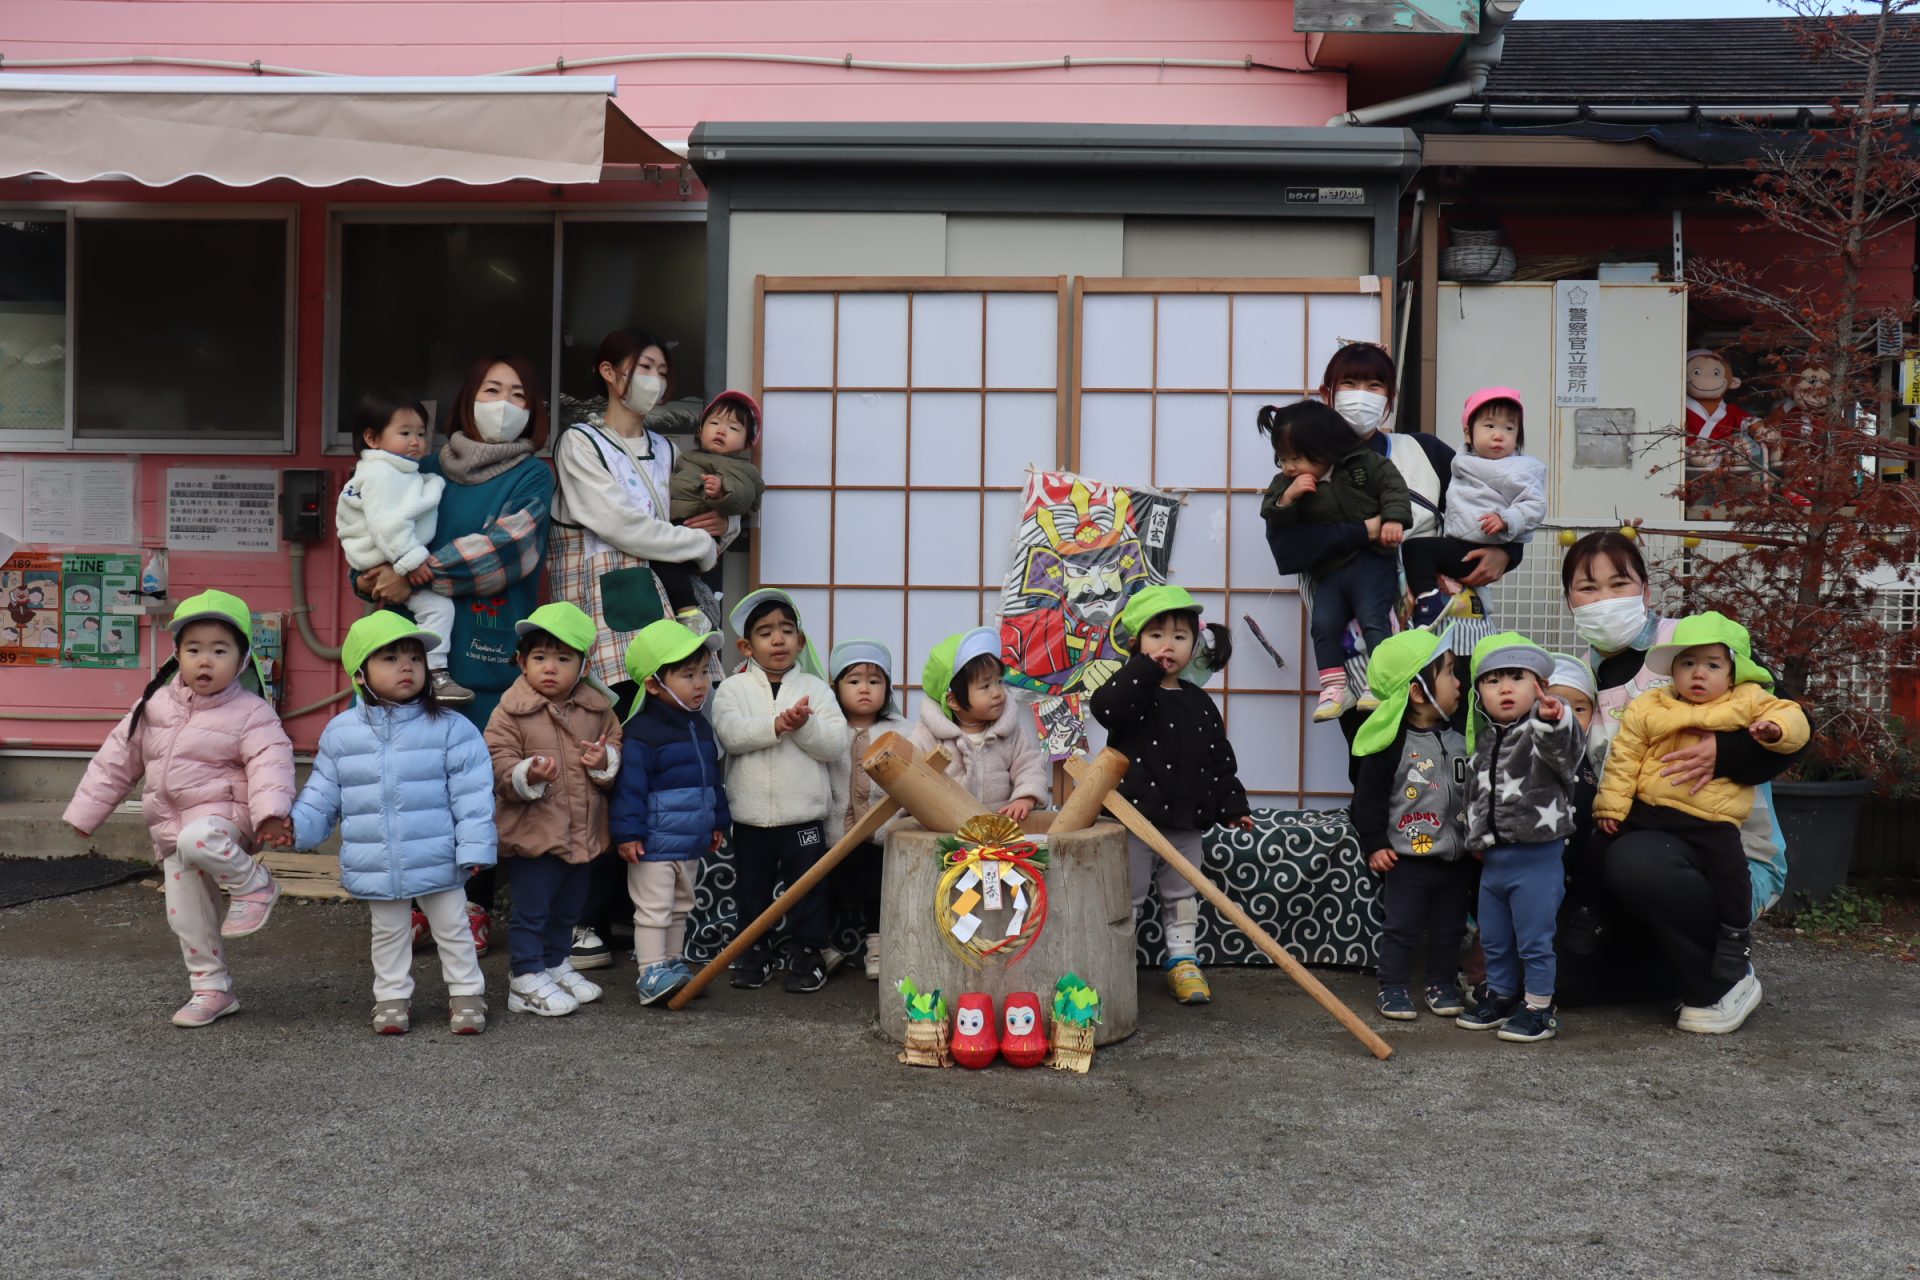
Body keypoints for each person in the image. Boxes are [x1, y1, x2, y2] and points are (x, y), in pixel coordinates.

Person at [1557, 530, 1803, 1033]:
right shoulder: (1577, 680)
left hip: (1722, 845)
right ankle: (1669, 967)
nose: (1604, 599)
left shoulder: (1696, 644)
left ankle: (1722, 982)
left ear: (1646, 591)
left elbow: (1792, 725)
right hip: (1627, 841)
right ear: (1569, 601)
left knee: (1635, 858)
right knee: (1559, 983)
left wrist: (1727, 751)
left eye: (1619, 584)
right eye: (1588, 588)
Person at [355, 354, 554, 960]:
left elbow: (509, 549)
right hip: (408, 650)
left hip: (487, 652)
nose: (504, 404)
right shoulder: (423, 463)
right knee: (415, 785)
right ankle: (419, 905)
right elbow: (372, 523)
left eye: (518, 394)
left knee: (478, 789)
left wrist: (413, 572)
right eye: (492, 389)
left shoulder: (533, 475)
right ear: (468, 399)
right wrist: (369, 576)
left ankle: (473, 907)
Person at [64, 590, 293, 1028]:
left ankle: (254, 884)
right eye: (194, 650)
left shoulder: (251, 712)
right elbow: (116, 760)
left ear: (242, 660)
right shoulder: (152, 706)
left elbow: (271, 763)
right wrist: (85, 813)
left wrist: (270, 814)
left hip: (224, 819)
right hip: (171, 827)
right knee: (187, 916)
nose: (205, 661)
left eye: (219, 651)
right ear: (177, 655)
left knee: (198, 837)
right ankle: (212, 989)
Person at [281, 613, 495, 1036]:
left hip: (439, 855)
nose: (407, 667)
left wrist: (474, 847)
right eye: (391, 658)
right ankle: (392, 997)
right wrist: (295, 828)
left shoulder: (452, 727)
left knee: (454, 928)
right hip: (376, 858)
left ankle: (468, 994)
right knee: (389, 933)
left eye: (415, 658)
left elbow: (473, 794)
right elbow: (323, 793)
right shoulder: (341, 733)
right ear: (360, 673)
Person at [1592, 612, 1809, 1001]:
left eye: (1712, 665)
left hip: (1712, 818)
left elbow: (1793, 716)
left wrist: (1774, 731)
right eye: (1688, 663)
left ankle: (1734, 938)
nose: (1698, 674)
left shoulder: (1748, 699)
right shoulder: (1650, 704)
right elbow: (1624, 758)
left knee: (1730, 872)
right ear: (1672, 670)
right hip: (1652, 811)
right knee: (1599, 848)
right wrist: (1611, 807)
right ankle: (1589, 914)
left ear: (1733, 673)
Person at [1090, 586, 1254, 1006]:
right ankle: (1116, 965)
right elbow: (1106, 708)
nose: (1168, 645)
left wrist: (1233, 805)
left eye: (1180, 637)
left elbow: (1219, 758)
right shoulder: (1131, 695)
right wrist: (1142, 669)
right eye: (1156, 636)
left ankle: (1183, 961)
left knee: (1182, 895)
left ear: (1193, 645)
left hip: (1185, 822)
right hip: (1134, 822)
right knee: (1127, 896)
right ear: (1136, 643)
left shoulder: (1200, 703)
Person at [549, 329, 726, 690]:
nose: (655, 380)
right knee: (618, 705)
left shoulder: (667, 449)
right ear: (608, 372)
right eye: (645, 367)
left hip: (667, 605)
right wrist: (700, 545)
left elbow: (696, 508)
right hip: (605, 607)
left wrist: (723, 522)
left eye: (662, 372)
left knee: (674, 701)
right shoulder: (580, 443)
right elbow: (621, 525)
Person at [485, 602, 624, 1018]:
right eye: (539, 657)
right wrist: (526, 772)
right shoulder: (509, 711)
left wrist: (604, 761)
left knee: (569, 907)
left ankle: (555, 962)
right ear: (522, 662)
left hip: (583, 830)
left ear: (583, 667)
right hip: (535, 832)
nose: (550, 667)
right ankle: (525, 976)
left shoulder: (597, 709)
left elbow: (615, 745)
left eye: (563, 659)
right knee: (533, 910)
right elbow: (496, 762)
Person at [711, 588, 851, 994]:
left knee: (808, 889)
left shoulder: (816, 689)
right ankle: (755, 953)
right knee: (751, 889)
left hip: (803, 816)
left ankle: (808, 953)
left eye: (787, 631)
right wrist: (776, 725)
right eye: (766, 632)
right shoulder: (733, 689)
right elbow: (730, 734)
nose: (778, 639)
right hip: (750, 815)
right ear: (746, 646)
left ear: (800, 641)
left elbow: (834, 744)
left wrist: (804, 725)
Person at [1457, 632, 1586, 1044]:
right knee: (1494, 938)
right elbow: (1473, 797)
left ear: (1540, 686)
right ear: (1479, 693)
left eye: (1517, 677)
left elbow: (1567, 751)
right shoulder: (1483, 743)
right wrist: (1474, 838)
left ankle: (1539, 1007)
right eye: (1492, 680)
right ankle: (1499, 996)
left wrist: (1555, 719)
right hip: (1493, 864)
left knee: (1534, 940)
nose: (1505, 688)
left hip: (1537, 859)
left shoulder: (1541, 733)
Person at [1258, 399, 1412, 721]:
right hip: (1328, 570)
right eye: (1282, 459)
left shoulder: (1362, 463)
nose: (1289, 467)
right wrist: (1288, 497)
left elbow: (1394, 487)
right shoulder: (1286, 484)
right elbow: (1274, 520)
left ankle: (1379, 681)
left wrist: (1394, 519)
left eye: (1296, 458)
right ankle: (1333, 688)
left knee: (1373, 617)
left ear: (1324, 447)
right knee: (1323, 624)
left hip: (1371, 561)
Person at [1350, 627, 1471, 1021]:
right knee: (1402, 926)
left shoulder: (1463, 737)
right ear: (1418, 692)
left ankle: (1441, 983)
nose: (1459, 681)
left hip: (1456, 857)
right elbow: (1367, 799)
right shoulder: (1392, 745)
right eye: (1448, 672)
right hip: (1406, 859)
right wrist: (1374, 843)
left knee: (1451, 928)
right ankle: (1392, 986)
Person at [611, 618, 730, 1006]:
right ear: (653, 684)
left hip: (690, 840)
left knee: (681, 905)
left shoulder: (700, 726)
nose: (700, 684)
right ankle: (650, 972)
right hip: (653, 843)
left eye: (704, 673)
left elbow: (712, 779)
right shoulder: (642, 731)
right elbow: (629, 788)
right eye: (688, 675)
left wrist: (717, 821)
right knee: (654, 909)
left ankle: (673, 965)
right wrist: (628, 834)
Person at [336, 387, 470, 703]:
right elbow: (387, 524)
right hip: (387, 555)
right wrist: (411, 560)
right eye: (405, 433)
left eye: (421, 434)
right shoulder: (383, 474)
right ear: (372, 438)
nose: (416, 442)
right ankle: (437, 673)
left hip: (384, 556)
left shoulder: (392, 470)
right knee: (439, 608)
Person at [1401, 388, 1548, 627]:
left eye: (1509, 428)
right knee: (1420, 551)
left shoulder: (1517, 469)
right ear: (1468, 434)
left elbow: (1535, 504)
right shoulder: (1464, 462)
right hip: (1461, 542)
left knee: (1416, 549)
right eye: (1489, 426)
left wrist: (1507, 525)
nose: (1499, 435)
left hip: (1474, 546)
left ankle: (1428, 601)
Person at [826, 639, 912, 981]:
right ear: (835, 687)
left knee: (878, 889)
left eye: (874, 681)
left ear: (887, 688)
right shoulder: (827, 730)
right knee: (824, 887)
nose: (865, 688)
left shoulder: (902, 731)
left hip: (880, 832)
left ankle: (876, 947)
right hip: (835, 831)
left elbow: (914, 776)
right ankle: (820, 946)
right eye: (854, 681)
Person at [910, 627, 1050, 822]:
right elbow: (911, 776)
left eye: (999, 681)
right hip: (947, 829)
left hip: (999, 827)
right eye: (985, 686)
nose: (997, 692)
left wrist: (1025, 797)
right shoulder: (928, 736)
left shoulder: (1009, 731)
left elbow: (1029, 765)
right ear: (954, 701)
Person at [656, 390, 767, 618]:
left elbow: (745, 495)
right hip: (676, 526)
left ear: (747, 443)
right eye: (714, 423)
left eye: (733, 428)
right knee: (664, 566)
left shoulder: (743, 469)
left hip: (702, 533)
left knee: (666, 562)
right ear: (700, 430)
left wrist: (722, 490)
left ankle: (688, 609)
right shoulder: (684, 459)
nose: (721, 430)